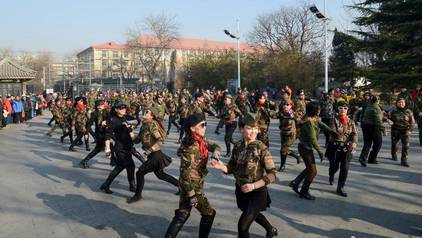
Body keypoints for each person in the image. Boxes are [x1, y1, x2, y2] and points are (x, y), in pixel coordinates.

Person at [211, 113, 278, 238]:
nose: (253, 131)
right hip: (241, 190)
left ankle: (270, 229)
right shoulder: (237, 146)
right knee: (251, 213)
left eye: (255, 128)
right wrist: (222, 166)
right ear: (241, 129)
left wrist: (253, 186)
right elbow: (231, 167)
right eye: (249, 128)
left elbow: (273, 174)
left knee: (243, 226)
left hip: (257, 191)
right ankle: (271, 229)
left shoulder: (262, 148)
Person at [164, 113, 221, 238]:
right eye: (202, 125)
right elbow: (185, 175)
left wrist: (215, 155)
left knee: (183, 214)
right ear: (192, 128)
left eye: (205, 124)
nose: (205, 127)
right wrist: (192, 196)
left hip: (190, 185)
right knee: (209, 214)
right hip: (192, 187)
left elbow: (216, 146)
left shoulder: (199, 140)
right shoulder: (191, 146)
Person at [127, 107, 179, 203]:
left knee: (139, 173)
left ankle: (138, 195)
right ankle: (181, 186)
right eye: (145, 111)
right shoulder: (144, 125)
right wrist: (130, 132)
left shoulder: (152, 124)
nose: (145, 112)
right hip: (154, 155)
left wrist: (150, 149)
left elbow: (160, 140)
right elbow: (137, 140)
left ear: (152, 116)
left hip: (156, 155)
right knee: (160, 175)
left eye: (147, 112)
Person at [289, 102, 336, 200]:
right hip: (305, 148)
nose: (319, 110)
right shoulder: (309, 122)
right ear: (314, 111)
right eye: (318, 109)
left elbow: (322, 125)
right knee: (313, 171)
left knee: (309, 169)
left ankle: (295, 182)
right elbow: (313, 139)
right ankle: (304, 191)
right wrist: (320, 151)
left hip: (306, 147)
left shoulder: (313, 119)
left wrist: (332, 132)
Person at [100, 102, 136, 194]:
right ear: (116, 110)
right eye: (121, 108)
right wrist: (107, 151)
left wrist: (131, 125)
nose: (124, 109)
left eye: (124, 108)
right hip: (120, 149)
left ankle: (106, 185)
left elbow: (137, 121)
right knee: (129, 166)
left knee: (121, 167)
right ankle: (132, 186)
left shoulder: (125, 117)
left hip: (127, 146)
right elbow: (107, 137)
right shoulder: (112, 120)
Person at [326, 101, 358, 197]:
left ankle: (340, 187)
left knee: (345, 168)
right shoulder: (333, 120)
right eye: (340, 108)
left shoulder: (351, 121)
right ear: (337, 109)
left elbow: (355, 133)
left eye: (345, 108)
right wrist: (343, 135)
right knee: (334, 167)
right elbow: (333, 133)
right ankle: (331, 175)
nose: (343, 110)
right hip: (335, 146)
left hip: (347, 148)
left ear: (347, 110)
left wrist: (354, 143)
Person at [358, 95, 391, 166]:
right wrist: (384, 130)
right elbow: (378, 120)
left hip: (365, 125)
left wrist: (386, 119)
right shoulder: (376, 107)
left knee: (367, 143)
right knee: (378, 143)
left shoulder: (368, 106)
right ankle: (371, 158)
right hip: (373, 127)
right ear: (378, 101)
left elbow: (377, 116)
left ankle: (363, 158)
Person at [79, 99, 109, 168]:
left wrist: (106, 121)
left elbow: (109, 119)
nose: (103, 105)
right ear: (98, 106)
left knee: (111, 146)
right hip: (99, 133)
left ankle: (114, 161)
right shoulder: (94, 113)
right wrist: (86, 133)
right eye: (101, 104)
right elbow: (90, 124)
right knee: (97, 149)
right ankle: (84, 161)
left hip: (106, 132)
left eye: (103, 104)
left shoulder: (106, 111)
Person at [272, 98, 300, 172]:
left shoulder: (293, 114)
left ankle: (282, 165)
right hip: (283, 134)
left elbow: (300, 121)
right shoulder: (281, 113)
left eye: (287, 105)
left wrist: (293, 116)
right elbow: (273, 115)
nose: (285, 106)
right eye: (284, 104)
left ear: (291, 106)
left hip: (291, 134)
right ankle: (295, 155)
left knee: (283, 150)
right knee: (283, 150)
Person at [389, 97, 415, 167]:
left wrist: (409, 130)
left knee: (406, 146)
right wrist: (389, 121)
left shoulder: (409, 111)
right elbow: (388, 119)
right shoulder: (393, 111)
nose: (401, 104)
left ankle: (404, 160)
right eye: (399, 102)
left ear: (405, 103)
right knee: (395, 144)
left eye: (402, 102)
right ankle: (394, 154)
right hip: (395, 130)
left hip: (405, 130)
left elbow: (412, 123)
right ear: (397, 103)